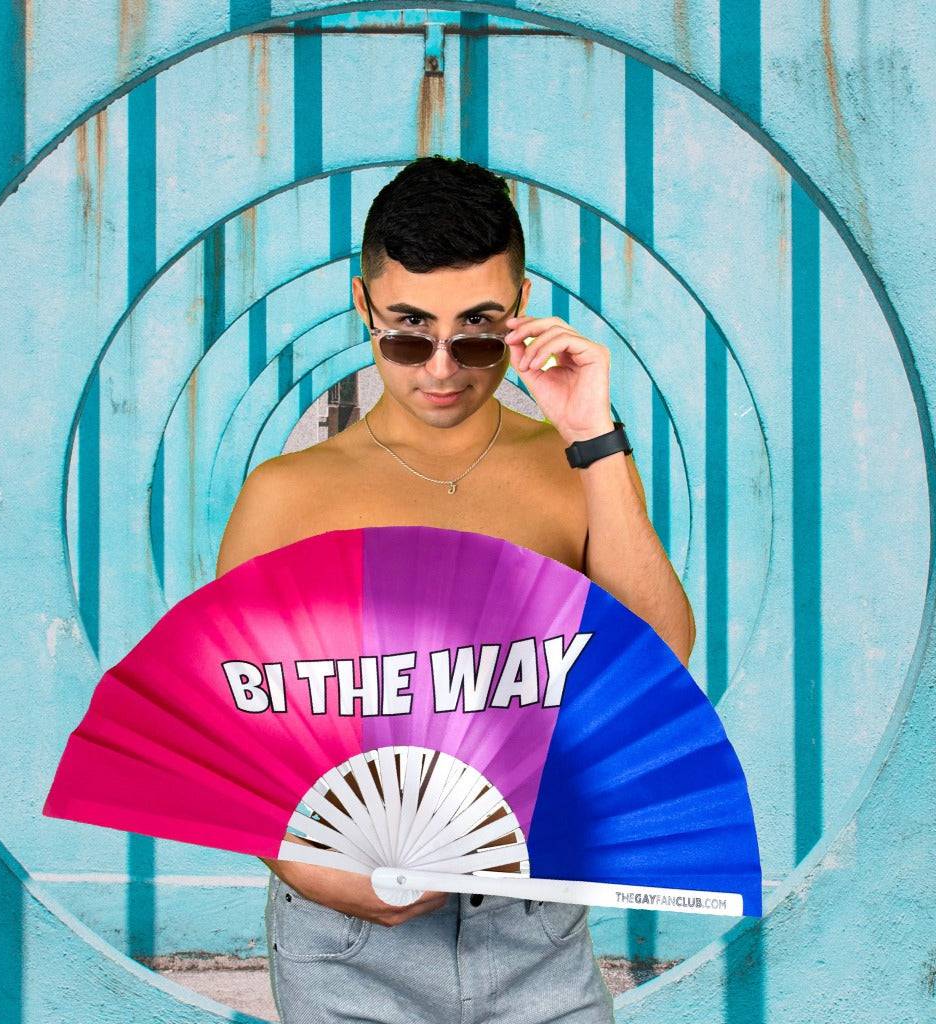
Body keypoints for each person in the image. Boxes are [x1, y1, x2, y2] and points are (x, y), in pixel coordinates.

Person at [216, 156, 696, 1023]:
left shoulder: (571, 467)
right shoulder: (287, 497)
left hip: (534, 926)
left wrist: (592, 430)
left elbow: (659, 660)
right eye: (408, 332)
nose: (442, 369)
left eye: (477, 331)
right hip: (347, 938)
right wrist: (309, 870)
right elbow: (229, 729)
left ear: (520, 310)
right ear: (363, 305)